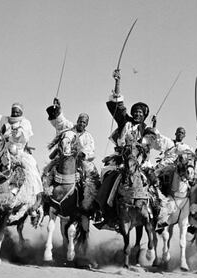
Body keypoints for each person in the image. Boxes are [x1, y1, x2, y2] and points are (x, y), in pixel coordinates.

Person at [95, 69, 161, 229]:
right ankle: (104, 212)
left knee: (155, 182)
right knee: (109, 176)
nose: (137, 114)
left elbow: (151, 144)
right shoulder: (125, 122)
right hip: (122, 160)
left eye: (140, 112)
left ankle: (157, 216)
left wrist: (154, 128)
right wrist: (117, 82)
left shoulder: (147, 129)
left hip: (141, 162)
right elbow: (118, 105)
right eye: (135, 112)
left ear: (144, 115)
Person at [44, 98, 99, 212]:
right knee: (48, 171)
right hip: (63, 158)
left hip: (80, 160)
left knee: (91, 180)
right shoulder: (69, 128)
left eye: (84, 122)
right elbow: (60, 121)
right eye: (80, 121)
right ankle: (44, 197)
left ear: (86, 124)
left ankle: (88, 205)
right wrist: (58, 109)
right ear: (77, 121)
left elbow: (91, 150)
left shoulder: (88, 136)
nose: (81, 123)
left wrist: (82, 154)